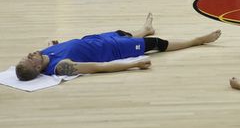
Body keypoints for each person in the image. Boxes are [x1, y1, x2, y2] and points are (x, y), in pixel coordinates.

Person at [14, 13, 221, 81]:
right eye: (30, 58)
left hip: (99, 39)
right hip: (114, 51)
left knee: (124, 33)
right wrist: (134, 65)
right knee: (157, 44)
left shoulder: (44, 53)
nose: (31, 53)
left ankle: (145, 29)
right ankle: (197, 40)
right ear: (37, 69)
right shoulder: (61, 67)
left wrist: (50, 46)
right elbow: (97, 68)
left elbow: (50, 48)